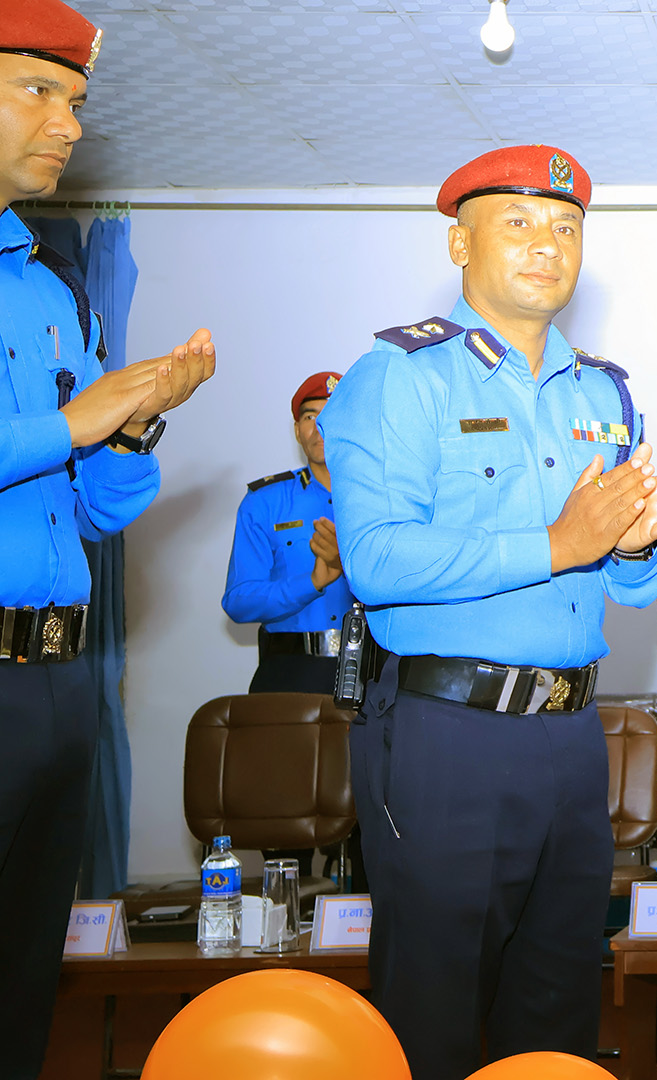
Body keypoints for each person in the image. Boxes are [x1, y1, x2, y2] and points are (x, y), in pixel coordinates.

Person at [319, 145, 657, 1080]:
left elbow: (628, 590)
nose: (547, 245)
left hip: (572, 734)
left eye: (566, 227)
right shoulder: (400, 375)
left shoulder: (603, 390)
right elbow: (376, 561)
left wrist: (637, 543)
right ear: (460, 244)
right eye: (519, 223)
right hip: (448, 734)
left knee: (557, 1009)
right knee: (434, 1014)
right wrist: (561, 541)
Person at [0, 3, 216, 1072]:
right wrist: (76, 419)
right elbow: (59, 434)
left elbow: (93, 511)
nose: (69, 124)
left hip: (56, 675)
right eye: (38, 90)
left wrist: (131, 425)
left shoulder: (50, 286)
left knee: (24, 969)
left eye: (77, 100)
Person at [221, 371, 355, 694]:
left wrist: (350, 564)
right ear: (297, 431)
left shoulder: (383, 499)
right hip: (289, 676)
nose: (320, 426)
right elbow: (238, 601)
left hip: (369, 679)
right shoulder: (264, 502)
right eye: (310, 416)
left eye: (332, 414)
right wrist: (312, 582)